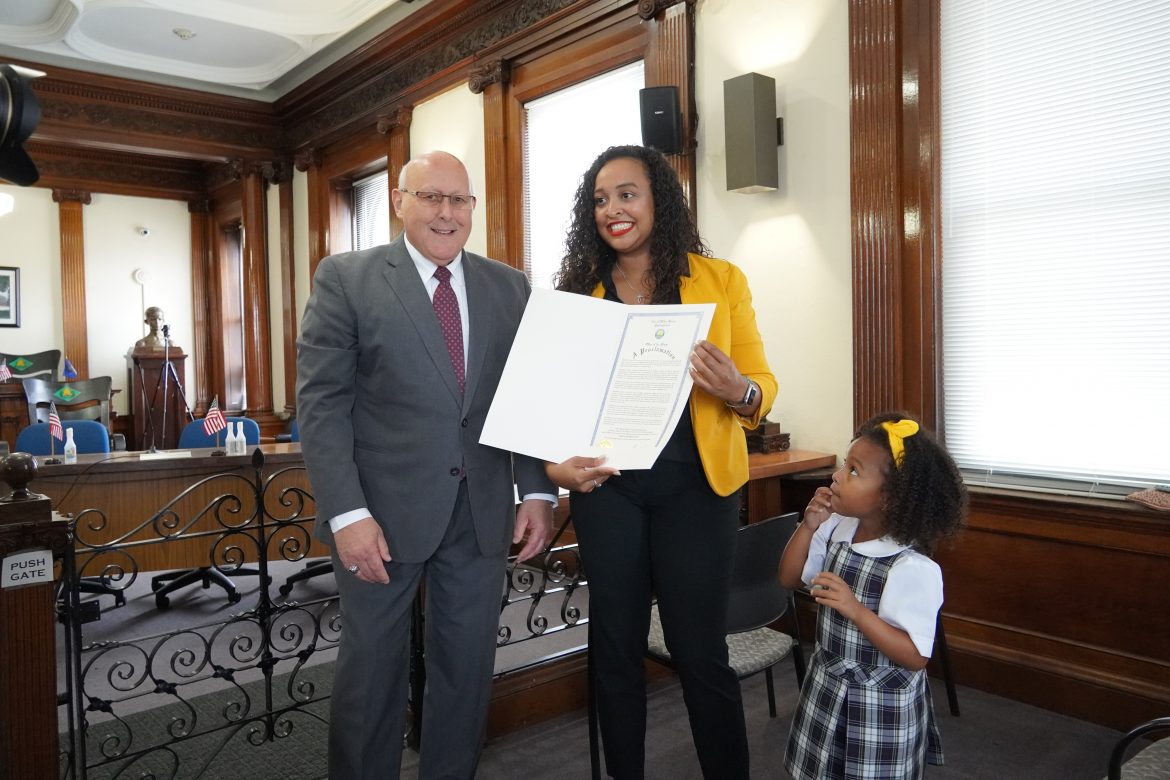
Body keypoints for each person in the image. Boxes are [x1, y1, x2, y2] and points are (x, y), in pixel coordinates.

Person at [296, 150, 555, 779]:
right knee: (372, 675)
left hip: (480, 514)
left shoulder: (509, 285)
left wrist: (538, 492)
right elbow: (322, 406)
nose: (446, 213)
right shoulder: (346, 277)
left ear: (472, 209)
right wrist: (347, 514)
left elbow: (524, 397)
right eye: (431, 197)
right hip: (379, 520)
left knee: (465, 674)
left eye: (459, 200)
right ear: (400, 202)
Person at [545, 144, 777, 779]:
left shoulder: (720, 281)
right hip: (608, 493)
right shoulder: (576, 297)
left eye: (627, 194)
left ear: (658, 201)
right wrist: (555, 470)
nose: (612, 209)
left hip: (697, 491)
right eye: (599, 199)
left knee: (699, 651)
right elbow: (554, 413)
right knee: (615, 651)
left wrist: (739, 392)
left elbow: (759, 387)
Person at [780, 412, 967, 780]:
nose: (836, 475)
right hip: (828, 685)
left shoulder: (911, 568)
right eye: (844, 464)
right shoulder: (836, 527)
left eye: (853, 470)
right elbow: (788, 578)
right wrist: (808, 525)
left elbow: (915, 657)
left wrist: (856, 610)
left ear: (889, 498)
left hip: (878, 708)